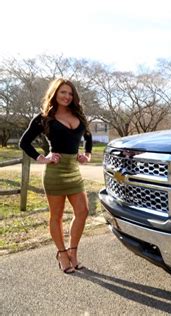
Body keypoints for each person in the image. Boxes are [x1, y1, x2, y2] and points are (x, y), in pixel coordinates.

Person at [19, 78, 92, 274]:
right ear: (55, 94)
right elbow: (24, 142)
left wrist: (87, 154)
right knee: (57, 216)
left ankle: (73, 251)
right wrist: (42, 158)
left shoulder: (79, 115)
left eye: (70, 93)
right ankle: (61, 254)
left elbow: (88, 136)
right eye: (63, 93)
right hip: (55, 172)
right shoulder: (43, 118)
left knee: (83, 211)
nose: (67, 96)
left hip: (73, 170)